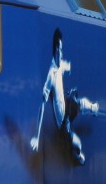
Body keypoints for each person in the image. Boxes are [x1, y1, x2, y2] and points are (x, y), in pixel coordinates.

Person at [30, 28, 98, 164]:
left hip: (67, 105)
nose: (62, 53)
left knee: (81, 102)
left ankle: (93, 108)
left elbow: (68, 67)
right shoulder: (51, 74)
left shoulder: (60, 65)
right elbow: (42, 107)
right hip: (62, 119)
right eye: (60, 50)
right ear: (56, 50)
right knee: (77, 143)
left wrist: (70, 69)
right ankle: (77, 155)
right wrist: (36, 137)